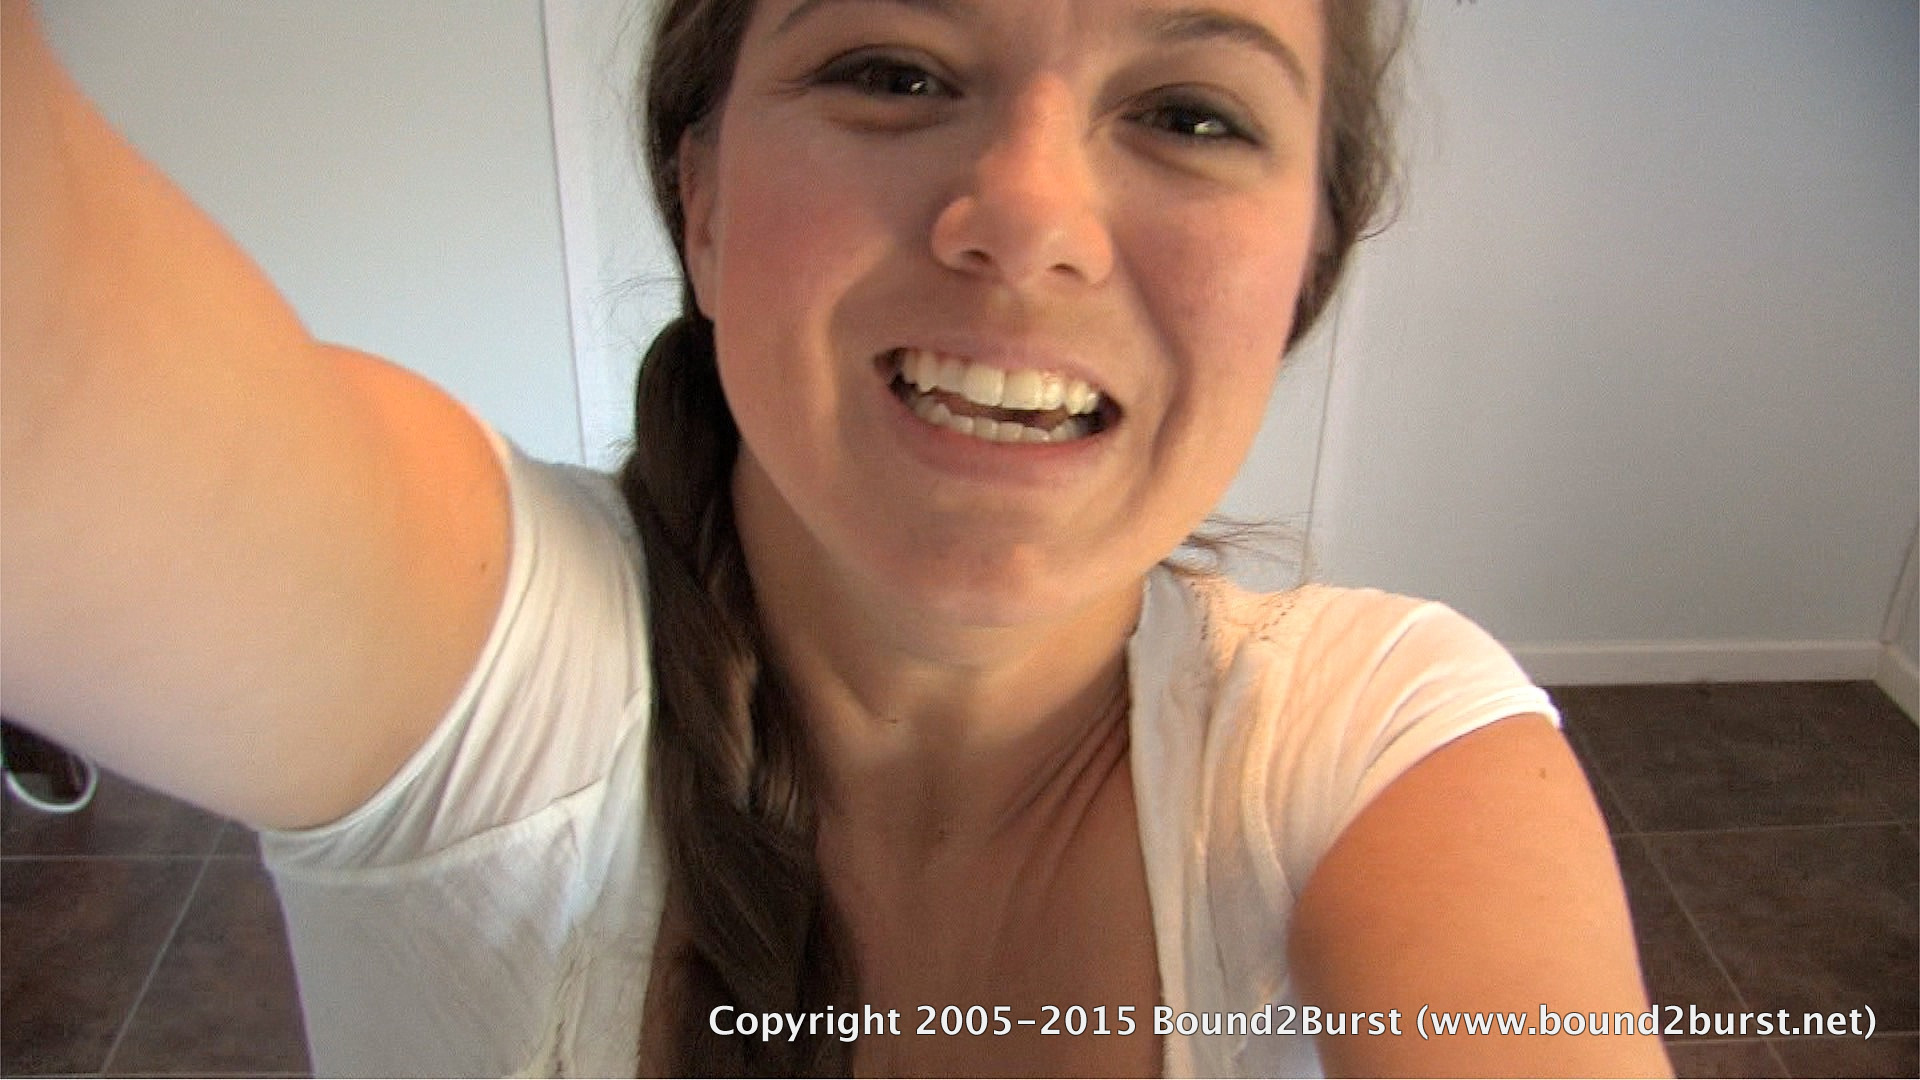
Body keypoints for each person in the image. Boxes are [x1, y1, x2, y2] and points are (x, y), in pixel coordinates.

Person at [1, 0, 1672, 1075]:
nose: (1028, 218)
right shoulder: (479, 654)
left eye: (1189, 113)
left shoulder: (1380, 740)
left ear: (1302, 273)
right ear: (704, 207)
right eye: (892, 72)